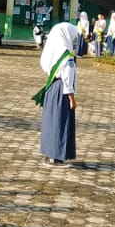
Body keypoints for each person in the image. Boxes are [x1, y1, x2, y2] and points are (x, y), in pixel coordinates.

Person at [34, 23, 80, 166]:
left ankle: (50, 156)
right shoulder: (66, 54)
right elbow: (67, 78)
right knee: (60, 124)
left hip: (52, 89)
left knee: (52, 123)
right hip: (62, 91)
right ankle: (56, 157)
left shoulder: (54, 50)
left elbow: (46, 66)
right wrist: (72, 98)